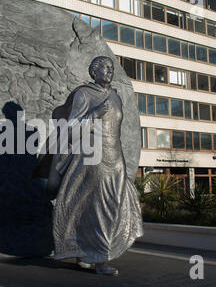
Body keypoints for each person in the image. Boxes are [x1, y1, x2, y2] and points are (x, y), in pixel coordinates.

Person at [32, 56, 143, 275]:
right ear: (93, 72)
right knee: (101, 207)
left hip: (115, 156)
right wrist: (94, 114)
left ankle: (85, 252)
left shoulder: (115, 96)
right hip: (92, 157)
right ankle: (101, 261)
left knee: (114, 204)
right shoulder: (84, 94)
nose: (109, 70)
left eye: (111, 67)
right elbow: (71, 129)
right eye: (104, 67)